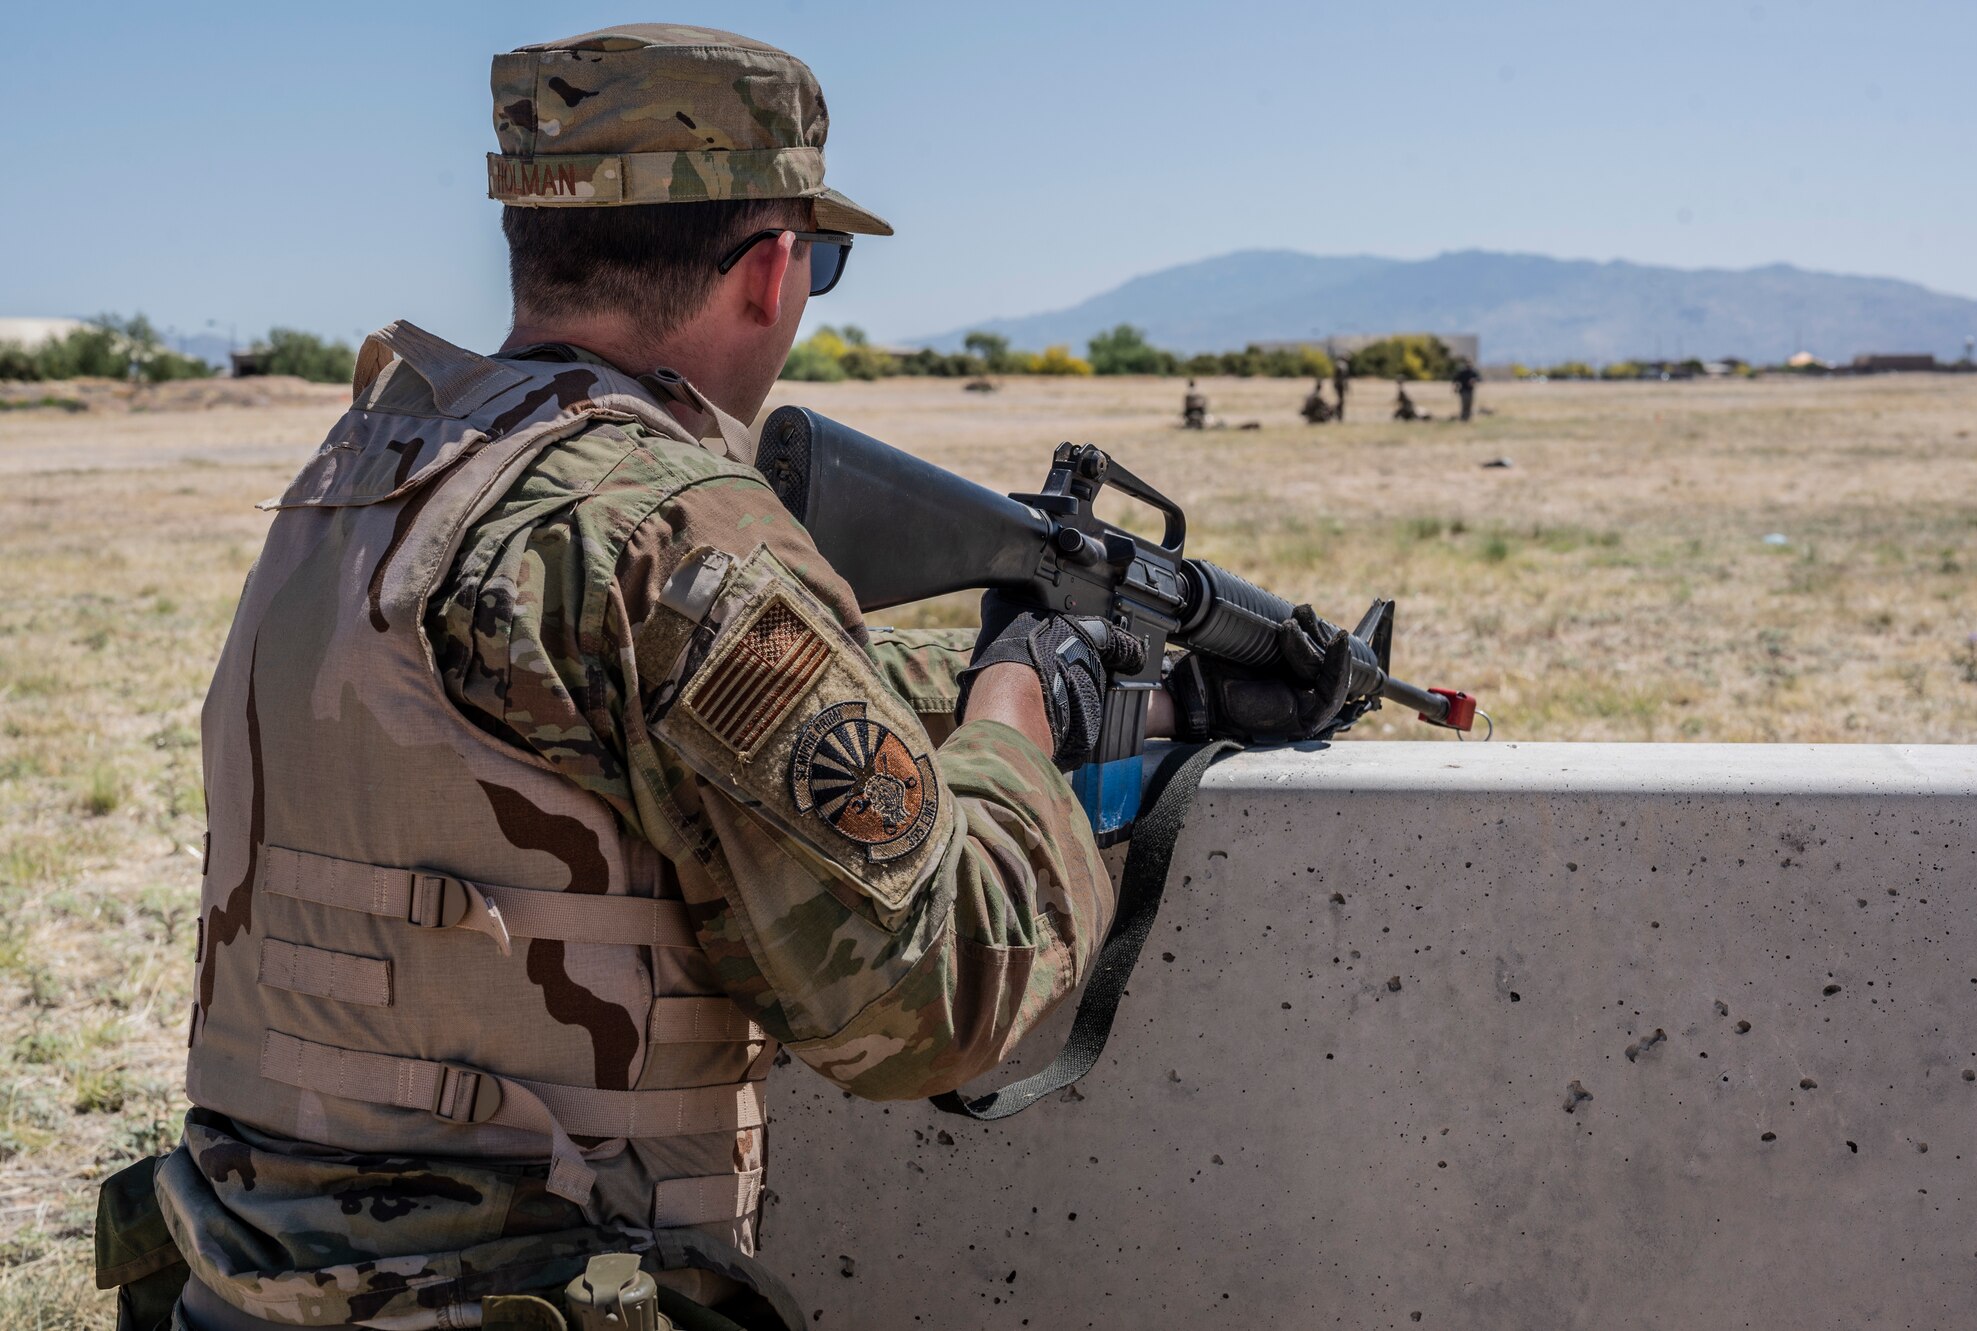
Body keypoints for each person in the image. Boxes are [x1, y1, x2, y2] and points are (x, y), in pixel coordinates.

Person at [112, 23, 1360, 1331]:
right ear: (770, 270)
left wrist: (1150, 687)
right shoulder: (673, 523)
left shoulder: (376, 463)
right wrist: (1015, 715)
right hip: (515, 1285)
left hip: (246, 1283)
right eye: (820, 259)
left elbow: (624, 696)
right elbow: (931, 996)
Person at [1331, 354, 1350, 422]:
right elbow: (1344, 378)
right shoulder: (1343, 366)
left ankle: (1339, 415)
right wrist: (1347, 387)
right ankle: (1339, 415)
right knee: (1341, 401)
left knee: (1340, 400)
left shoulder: (1338, 364)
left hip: (1337, 385)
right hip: (1340, 385)